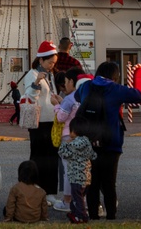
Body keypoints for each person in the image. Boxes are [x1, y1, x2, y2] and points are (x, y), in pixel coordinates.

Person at [72, 60, 141, 221]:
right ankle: (111, 217)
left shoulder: (86, 87)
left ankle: (93, 216)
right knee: (109, 183)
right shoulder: (116, 89)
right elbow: (139, 96)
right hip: (111, 142)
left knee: (92, 183)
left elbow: (77, 96)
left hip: (88, 141)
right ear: (115, 76)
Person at [21, 40, 63, 203]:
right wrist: (37, 82)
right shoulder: (32, 74)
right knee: (38, 157)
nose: (52, 65)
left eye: (54, 63)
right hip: (38, 123)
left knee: (52, 157)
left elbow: (48, 96)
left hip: (52, 121)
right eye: (50, 62)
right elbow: (29, 97)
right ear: (41, 60)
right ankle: (37, 191)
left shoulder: (50, 74)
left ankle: (50, 193)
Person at [53, 67, 87, 212]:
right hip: (82, 137)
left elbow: (61, 117)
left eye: (66, 81)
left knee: (68, 171)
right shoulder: (83, 97)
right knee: (81, 170)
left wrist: (56, 105)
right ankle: (82, 200)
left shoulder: (69, 99)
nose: (65, 85)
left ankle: (67, 201)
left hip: (67, 137)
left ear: (72, 82)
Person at [58, 116, 98, 224]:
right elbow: (93, 156)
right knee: (78, 198)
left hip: (76, 178)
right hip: (86, 177)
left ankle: (81, 216)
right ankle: (75, 213)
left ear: (74, 131)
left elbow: (63, 153)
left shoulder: (74, 143)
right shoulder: (87, 142)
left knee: (77, 199)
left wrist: (64, 143)